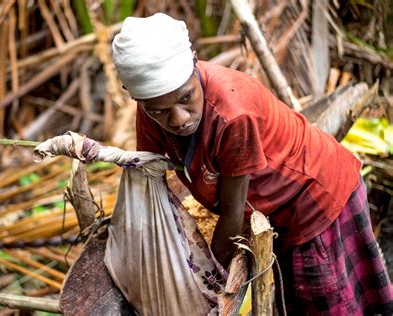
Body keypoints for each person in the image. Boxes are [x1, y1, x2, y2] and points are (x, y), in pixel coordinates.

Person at [111, 12, 393, 315]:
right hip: (273, 205)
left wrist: (209, 282)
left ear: (194, 61)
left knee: (322, 301)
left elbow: (234, 211)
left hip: (315, 197)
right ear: (136, 98)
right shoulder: (151, 109)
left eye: (186, 98)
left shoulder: (233, 114)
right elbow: (148, 178)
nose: (178, 119)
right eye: (160, 111)